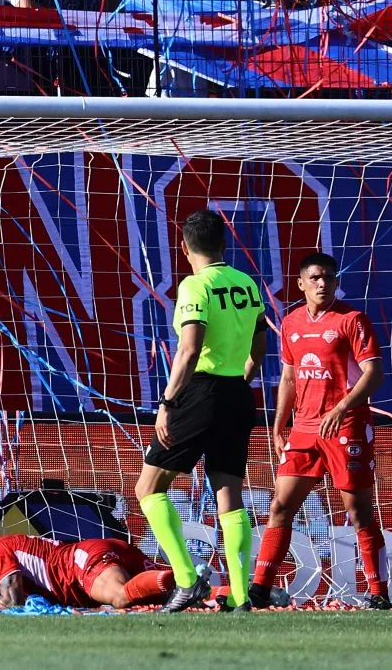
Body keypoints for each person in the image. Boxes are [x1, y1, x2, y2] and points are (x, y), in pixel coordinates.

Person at [134, 208, 267, 612]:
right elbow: (260, 346)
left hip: (200, 393)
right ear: (223, 244)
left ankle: (188, 580)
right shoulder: (246, 284)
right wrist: (242, 376)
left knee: (148, 488)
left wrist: (168, 402)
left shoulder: (195, 285)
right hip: (236, 395)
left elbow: (190, 350)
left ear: (185, 247)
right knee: (229, 493)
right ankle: (242, 598)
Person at [250, 252, 389, 610]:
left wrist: (341, 407)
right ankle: (260, 589)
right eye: (315, 278)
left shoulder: (352, 320)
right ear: (301, 283)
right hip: (305, 429)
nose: (322, 283)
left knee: (358, 512)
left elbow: (374, 373)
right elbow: (288, 377)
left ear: (336, 282)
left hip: (346, 426)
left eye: (328, 277)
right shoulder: (291, 323)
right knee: (280, 505)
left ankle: (378, 593)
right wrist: (279, 423)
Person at [0, 527, 180, 608]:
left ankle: (175, 578)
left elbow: (12, 601)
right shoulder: (7, 550)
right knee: (171, 598)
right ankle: (203, 587)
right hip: (99, 552)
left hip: (83, 562)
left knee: (120, 597)